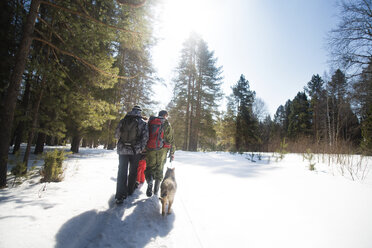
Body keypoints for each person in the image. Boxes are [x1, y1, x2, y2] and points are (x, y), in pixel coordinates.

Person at [114, 105, 148, 204]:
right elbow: (145, 137)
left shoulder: (123, 120)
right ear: (140, 112)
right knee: (133, 171)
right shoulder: (142, 122)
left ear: (132, 110)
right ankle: (129, 190)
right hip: (135, 151)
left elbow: (116, 134)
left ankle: (120, 195)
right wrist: (140, 148)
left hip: (122, 150)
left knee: (122, 172)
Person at [145, 110, 175, 197]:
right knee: (159, 169)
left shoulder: (151, 122)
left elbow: (146, 135)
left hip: (151, 149)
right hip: (162, 150)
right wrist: (172, 152)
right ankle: (156, 191)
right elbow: (171, 140)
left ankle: (150, 181)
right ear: (165, 115)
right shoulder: (167, 124)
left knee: (150, 168)